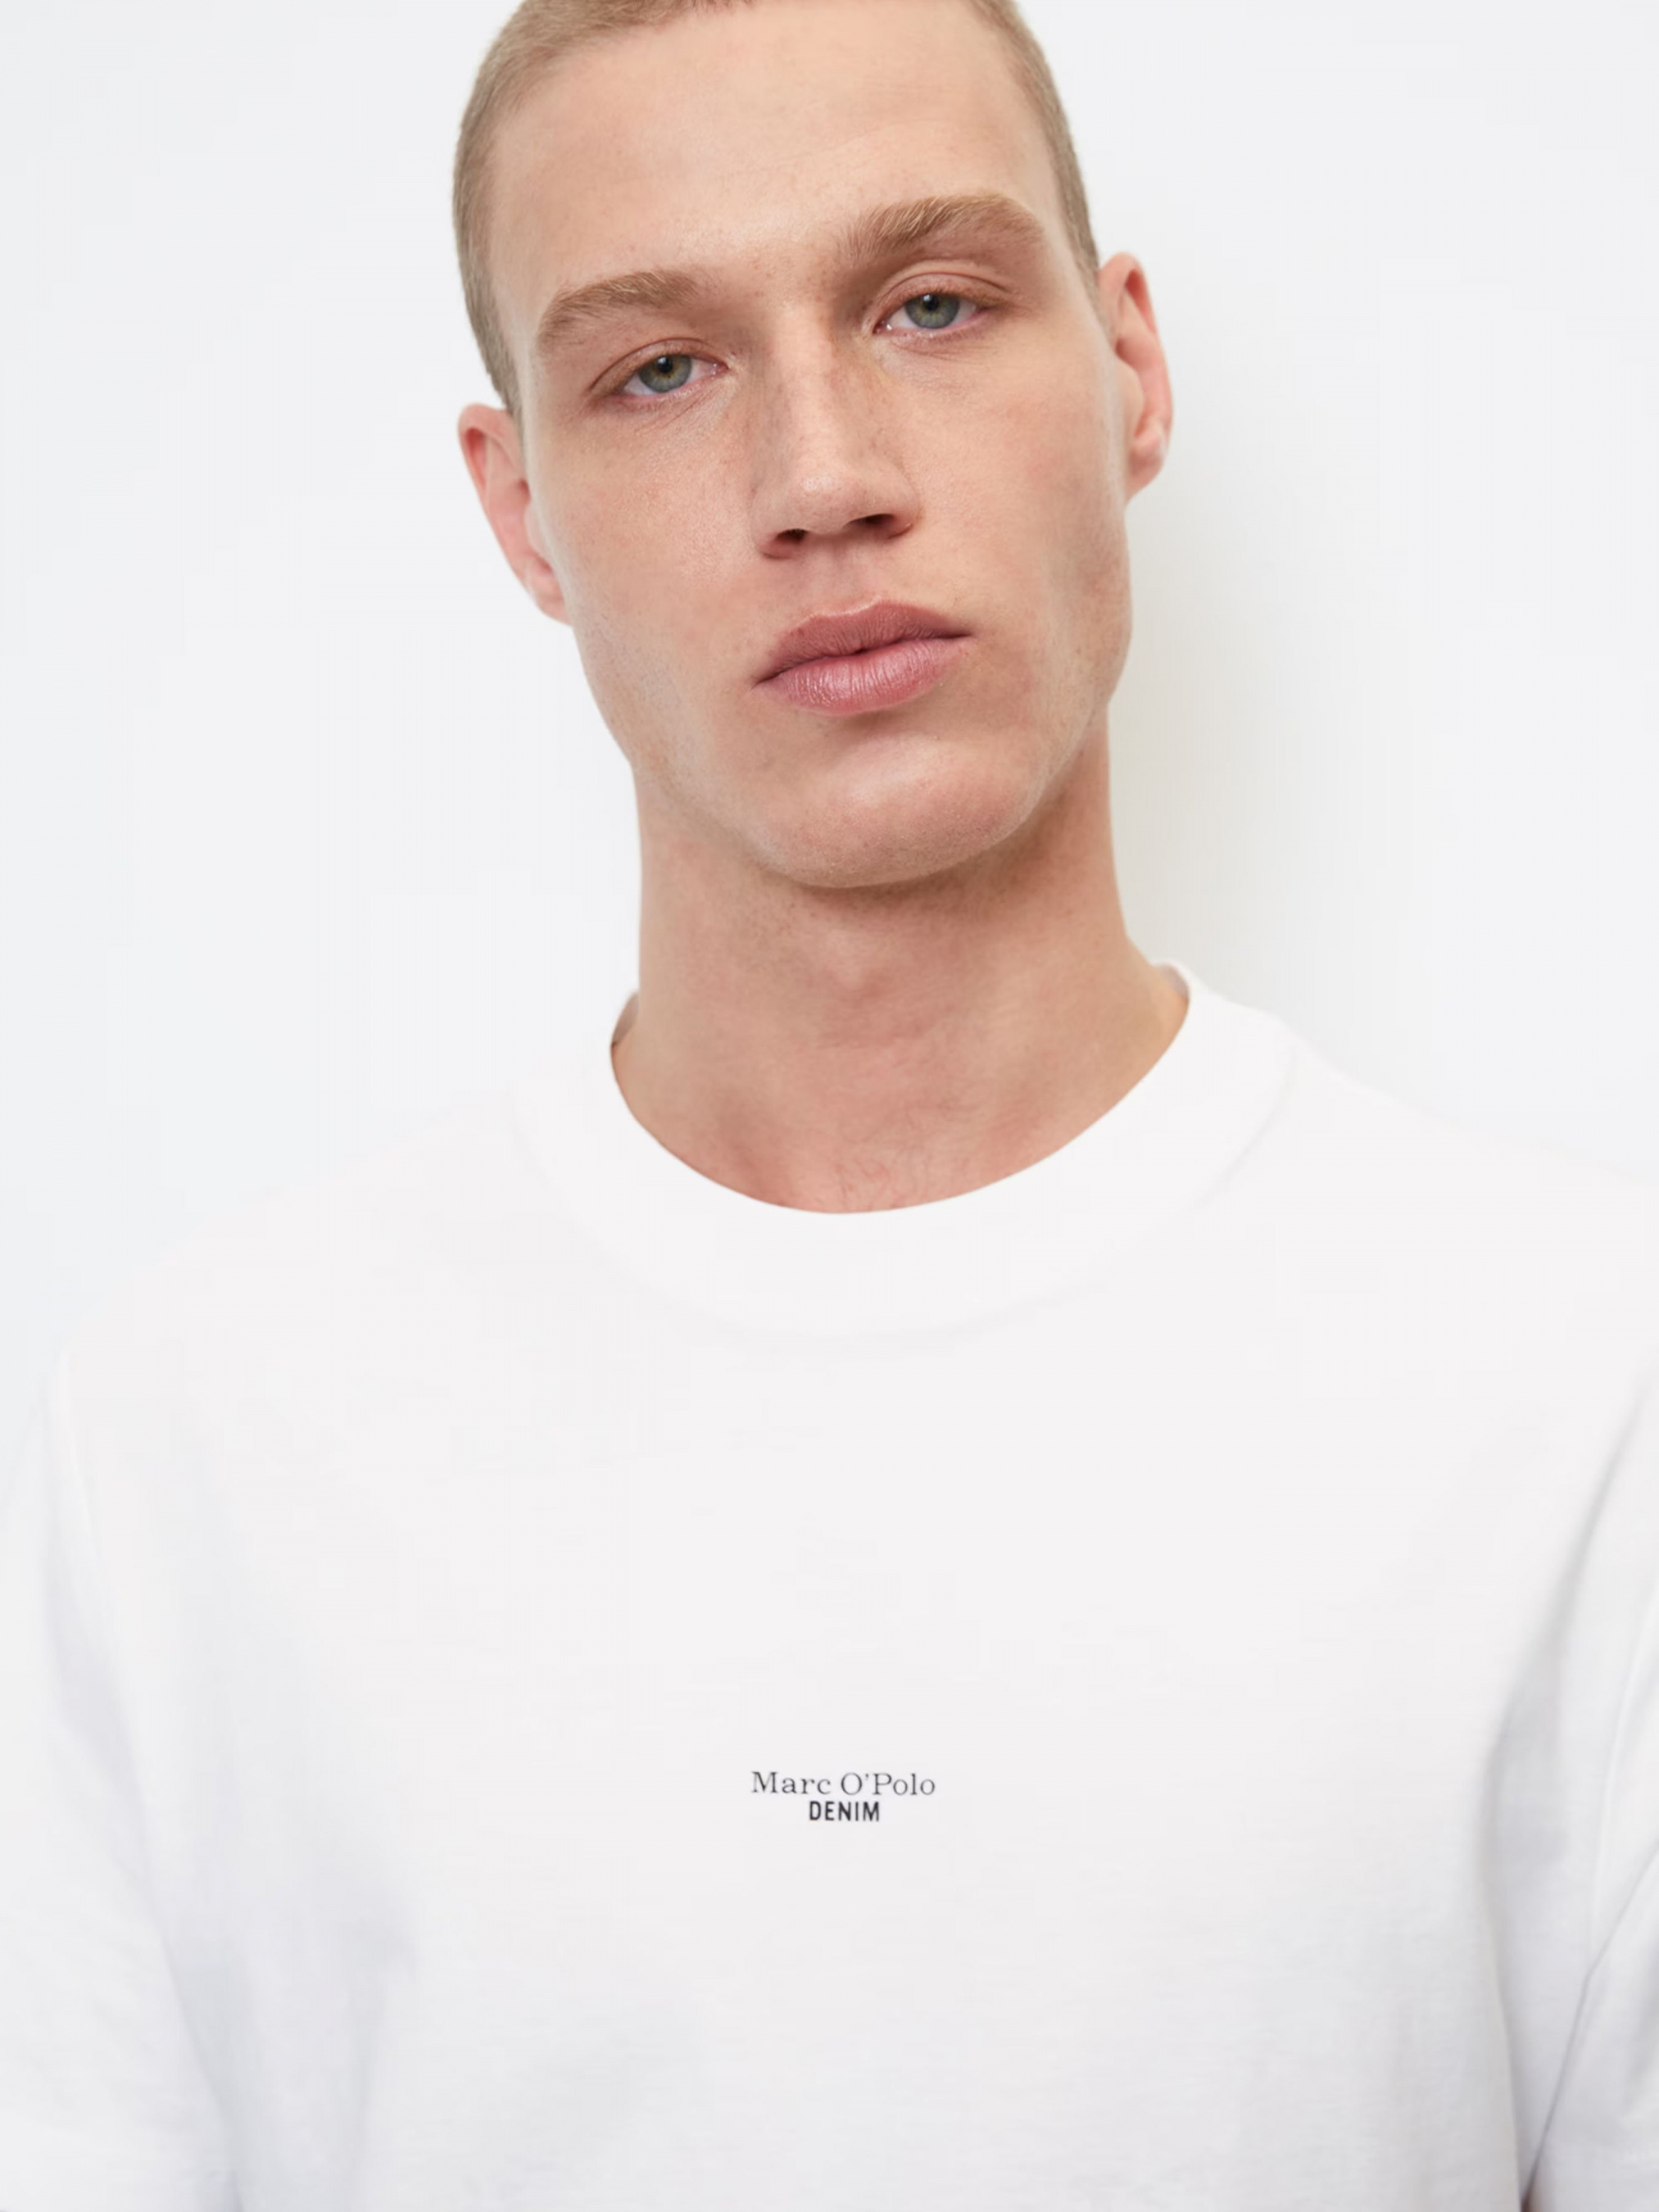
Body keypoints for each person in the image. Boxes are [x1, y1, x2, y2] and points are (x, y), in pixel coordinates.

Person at [2, 0, 1656, 2204]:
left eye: (931, 305)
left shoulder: (1587, 1388)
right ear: (518, 510)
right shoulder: (182, 1449)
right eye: (659, 370)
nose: (824, 476)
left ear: (1130, 369)